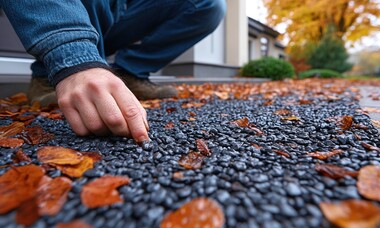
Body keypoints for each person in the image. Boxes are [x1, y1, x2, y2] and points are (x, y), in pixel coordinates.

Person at [0, 0, 226, 142]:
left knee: (208, 4)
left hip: (124, 8)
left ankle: (130, 72)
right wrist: (74, 60)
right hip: (71, 7)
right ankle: (46, 75)